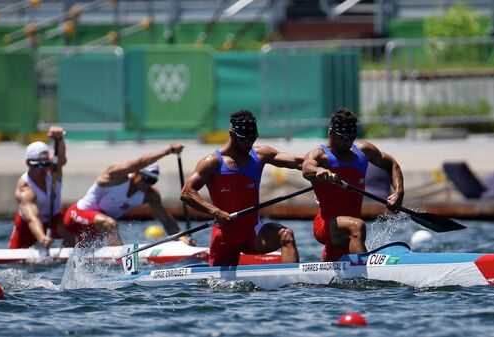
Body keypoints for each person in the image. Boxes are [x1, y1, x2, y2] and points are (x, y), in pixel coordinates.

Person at [181, 109, 303, 266]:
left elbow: (299, 161)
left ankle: (292, 284)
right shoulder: (212, 162)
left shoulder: (260, 155)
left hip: (253, 233)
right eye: (245, 140)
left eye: (252, 139)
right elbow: (187, 192)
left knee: (286, 236)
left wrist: (320, 168)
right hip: (225, 237)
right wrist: (215, 212)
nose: (249, 144)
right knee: (220, 289)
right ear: (232, 134)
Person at [302, 108, 405, 262]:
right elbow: (306, 167)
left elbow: (391, 164)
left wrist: (399, 192)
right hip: (325, 224)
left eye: (352, 137)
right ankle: (365, 279)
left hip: (347, 231)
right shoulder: (320, 155)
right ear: (331, 133)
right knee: (357, 226)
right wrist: (319, 171)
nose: (348, 143)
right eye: (343, 138)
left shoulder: (363, 151)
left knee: (334, 272)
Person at [63, 143, 193, 247]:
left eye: (152, 181)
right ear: (136, 172)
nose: (147, 184)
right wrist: (168, 151)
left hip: (96, 228)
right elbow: (138, 162)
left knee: (84, 254)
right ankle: (122, 261)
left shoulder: (150, 195)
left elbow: (166, 220)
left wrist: (182, 239)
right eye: (145, 178)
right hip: (75, 216)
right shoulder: (115, 177)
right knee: (111, 223)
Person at [9, 126, 75, 249]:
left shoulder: (53, 171)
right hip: (27, 226)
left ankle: (68, 262)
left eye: (47, 163)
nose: (46, 168)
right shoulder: (25, 189)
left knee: (70, 234)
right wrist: (42, 238)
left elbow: (61, 159)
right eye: (41, 164)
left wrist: (59, 139)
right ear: (29, 163)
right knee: (15, 262)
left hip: (54, 218)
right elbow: (32, 218)